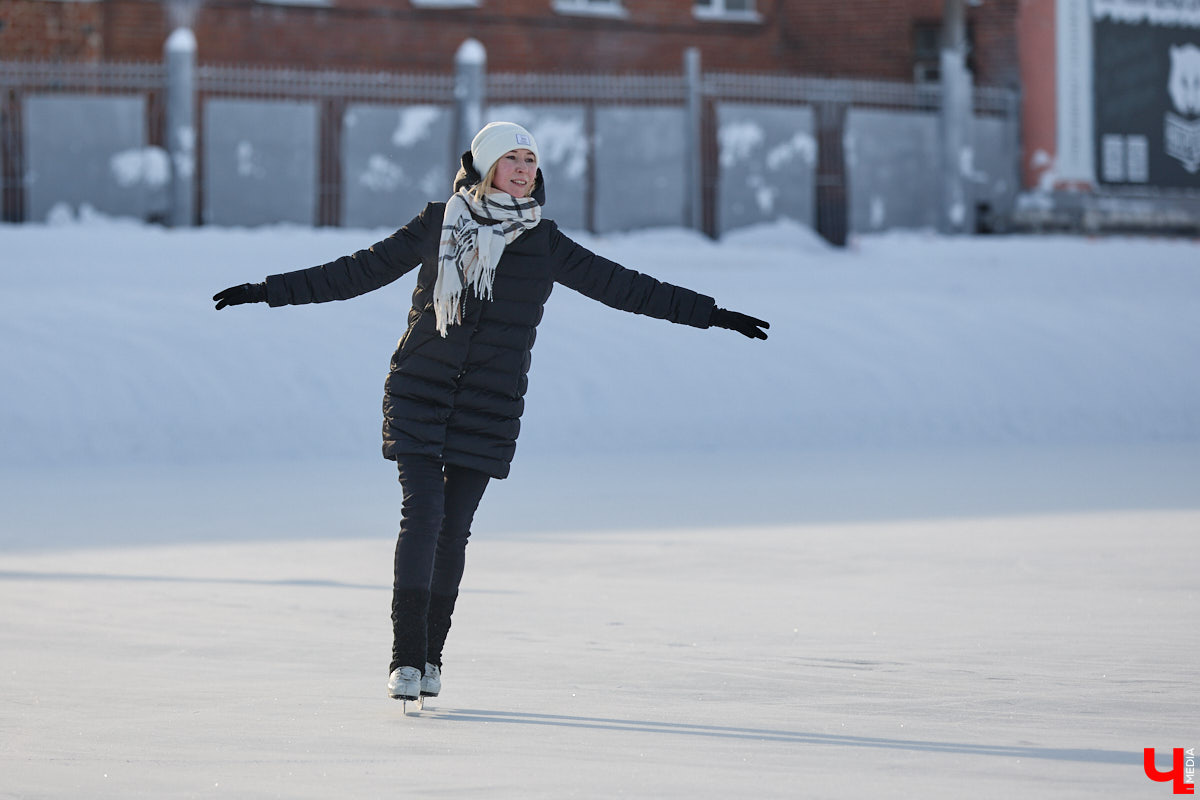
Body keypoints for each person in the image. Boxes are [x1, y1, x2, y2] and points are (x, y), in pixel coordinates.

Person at [213, 121, 769, 703]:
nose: (524, 170)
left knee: (453, 530)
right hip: (420, 390)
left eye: (531, 160)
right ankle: (405, 659)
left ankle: (432, 657)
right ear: (485, 166)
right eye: (512, 159)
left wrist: (713, 314)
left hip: (489, 405)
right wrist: (267, 290)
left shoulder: (544, 242)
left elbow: (626, 287)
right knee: (423, 515)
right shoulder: (438, 224)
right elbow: (356, 271)